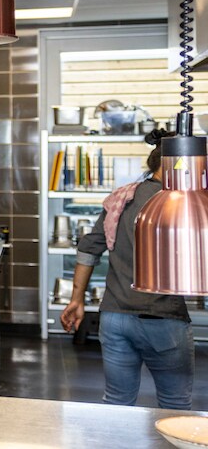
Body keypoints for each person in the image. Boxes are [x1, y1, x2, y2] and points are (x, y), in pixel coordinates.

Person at [60, 129, 194, 410]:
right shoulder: (186, 204)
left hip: (115, 318)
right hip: (164, 320)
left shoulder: (122, 198)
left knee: (117, 405)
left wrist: (76, 300)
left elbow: (88, 248)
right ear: (178, 163)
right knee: (174, 406)